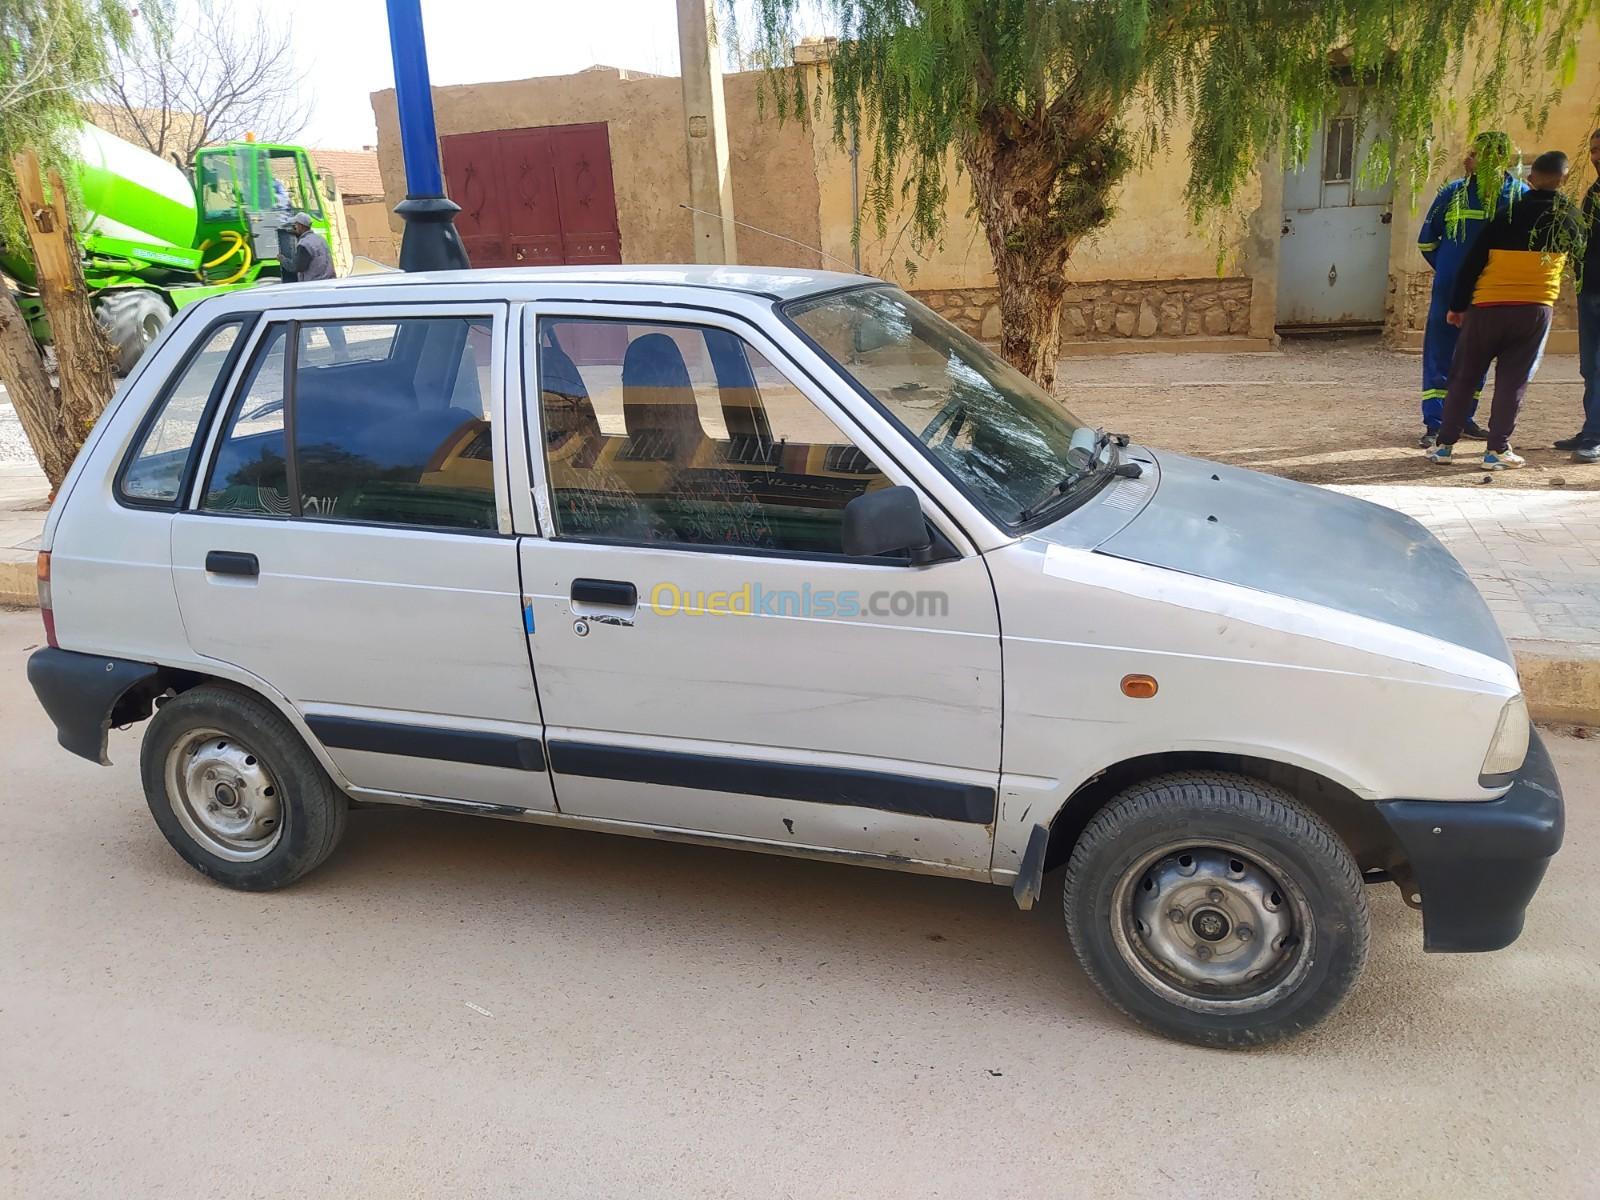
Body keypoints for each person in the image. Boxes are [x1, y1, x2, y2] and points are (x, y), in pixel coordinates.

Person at [1427, 150, 1583, 469]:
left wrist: (1458, 306)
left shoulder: (1508, 213)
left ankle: (1443, 446)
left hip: (1487, 306)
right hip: (1534, 310)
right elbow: (1582, 255)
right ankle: (1496, 450)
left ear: (1530, 179)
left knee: (1464, 376)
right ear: (1564, 178)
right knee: (1513, 381)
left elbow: (1473, 261)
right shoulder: (1570, 218)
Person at [1414, 131, 1526, 447]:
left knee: (1478, 356)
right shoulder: (1452, 194)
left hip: (1493, 294)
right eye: (1474, 153)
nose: (1471, 159)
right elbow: (1426, 241)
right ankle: (1435, 423)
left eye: (1479, 154)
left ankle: (1464, 418)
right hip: (1449, 293)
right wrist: (1452, 272)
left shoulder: (1518, 196)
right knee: (1440, 355)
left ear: (1501, 159)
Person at [1554, 128, 1600, 462]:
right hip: (1590, 291)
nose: (1596, 157)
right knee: (1589, 366)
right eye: (1594, 150)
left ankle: (1595, 436)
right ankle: (1591, 428)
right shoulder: (1594, 192)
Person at [287, 212, 334, 282]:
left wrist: (283, 260)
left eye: (295, 225)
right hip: (328, 281)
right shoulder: (321, 239)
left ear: (301, 226)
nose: (294, 228)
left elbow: (297, 267)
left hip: (313, 284)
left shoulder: (304, 244)